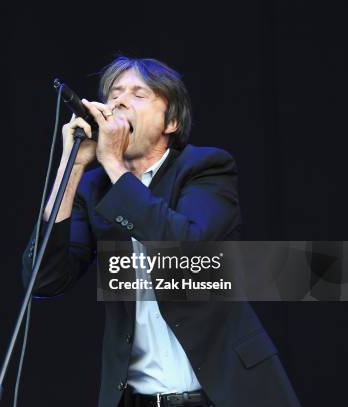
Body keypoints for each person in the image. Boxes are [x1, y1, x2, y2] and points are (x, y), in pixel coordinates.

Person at [22, 57, 300, 407]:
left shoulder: (205, 168)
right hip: (135, 399)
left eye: (138, 93)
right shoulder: (93, 189)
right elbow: (44, 279)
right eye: (114, 93)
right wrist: (72, 165)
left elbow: (188, 246)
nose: (120, 101)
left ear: (171, 121)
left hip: (221, 394)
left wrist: (112, 162)